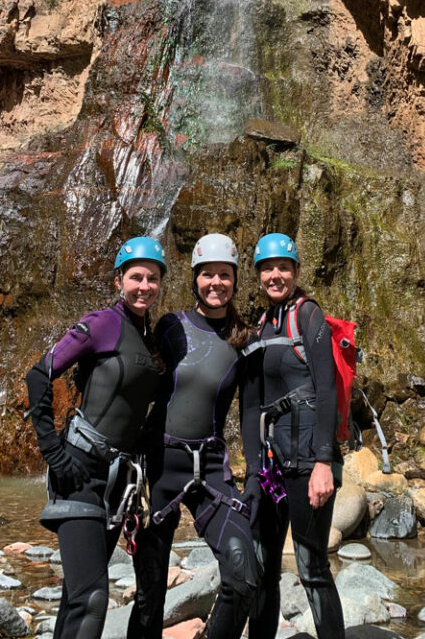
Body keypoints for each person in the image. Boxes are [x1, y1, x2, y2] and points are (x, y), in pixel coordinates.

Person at [25, 236, 166, 639]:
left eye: (152, 278)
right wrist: (50, 447)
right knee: (92, 598)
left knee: (76, 595)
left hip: (118, 479)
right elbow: (39, 374)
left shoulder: (148, 337)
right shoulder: (103, 323)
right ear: (119, 279)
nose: (144, 286)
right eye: (136, 277)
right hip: (79, 469)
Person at [127, 232, 260, 639]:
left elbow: (251, 412)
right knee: (150, 596)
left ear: (236, 281)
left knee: (243, 578)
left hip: (212, 470)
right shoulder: (170, 327)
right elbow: (137, 381)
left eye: (224, 274)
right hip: (160, 468)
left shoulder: (245, 340)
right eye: (207, 275)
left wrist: (254, 477)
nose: (216, 282)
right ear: (195, 279)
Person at [243, 232, 345, 639]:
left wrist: (324, 463)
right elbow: (251, 404)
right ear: (258, 275)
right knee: (263, 567)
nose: (275, 275)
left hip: (308, 462)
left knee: (312, 567)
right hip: (273, 464)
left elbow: (327, 390)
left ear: (296, 271)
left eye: (283, 267)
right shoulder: (262, 324)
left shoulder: (308, 316)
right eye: (267, 268)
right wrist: (253, 469)